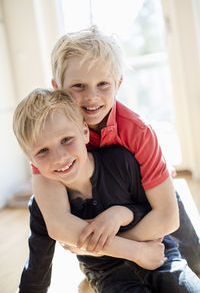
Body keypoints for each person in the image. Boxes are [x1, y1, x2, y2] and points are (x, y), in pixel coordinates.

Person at [31, 26, 200, 275]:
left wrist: (103, 245)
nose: (92, 97)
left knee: (194, 260)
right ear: (57, 88)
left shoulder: (138, 131)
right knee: (38, 204)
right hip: (94, 204)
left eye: (103, 84)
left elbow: (166, 216)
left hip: (145, 197)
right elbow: (59, 224)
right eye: (78, 85)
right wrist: (125, 250)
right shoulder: (47, 133)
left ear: (118, 84)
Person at [13, 88, 200, 292]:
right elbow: (37, 266)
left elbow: (154, 210)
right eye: (42, 151)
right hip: (106, 273)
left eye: (66, 140)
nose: (58, 157)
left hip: (157, 253)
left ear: (85, 132)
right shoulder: (44, 206)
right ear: (31, 161)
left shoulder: (121, 162)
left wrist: (123, 214)